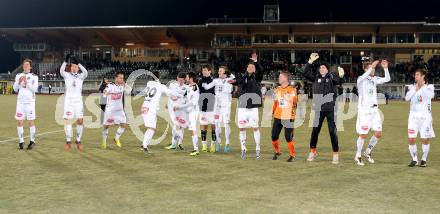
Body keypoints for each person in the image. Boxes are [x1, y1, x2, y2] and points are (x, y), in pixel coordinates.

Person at [303, 53, 344, 164]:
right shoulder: (315, 78)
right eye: (320, 67)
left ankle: (335, 154)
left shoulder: (331, 77)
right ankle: (312, 151)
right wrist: (310, 62)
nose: (321, 69)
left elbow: (339, 82)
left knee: (332, 132)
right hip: (318, 109)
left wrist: (341, 76)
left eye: (324, 67)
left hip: (330, 109)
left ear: (327, 69)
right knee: (315, 131)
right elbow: (305, 73)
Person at [354, 60, 390, 166]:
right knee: (363, 134)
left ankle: (368, 152)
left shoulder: (374, 79)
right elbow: (364, 76)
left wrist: (386, 68)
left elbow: (387, 79)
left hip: (375, 111)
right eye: (371, 68)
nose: (373, 70)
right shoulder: (360, 79)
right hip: (364, 111)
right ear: (366, 69)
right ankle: (358, 155)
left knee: (378, 134)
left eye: (374, 68)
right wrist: (371, 67)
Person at [141, 71, 181, 153]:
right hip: (151, 109)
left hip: (144, 106)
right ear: (159, 77)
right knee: (151, 128)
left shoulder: (149, 83)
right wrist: (180, 95)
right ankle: (144, 146)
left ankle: (144, 144)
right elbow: (170, 92)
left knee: (151, 128)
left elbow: (154, 84)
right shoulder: (160, 86)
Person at [235, 52, 264, 159]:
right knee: (242, 128)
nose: (251, 68)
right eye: (249, 66)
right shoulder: (243, 78)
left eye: (253, 67)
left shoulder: (258, 78)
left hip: (253, 108)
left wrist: (256, 62)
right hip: (242, 107)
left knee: (255, 128)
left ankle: (257, 149)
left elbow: (260, 70)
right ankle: (243, 148)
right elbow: (239, 83)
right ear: (246, 69)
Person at [405, 69, 435, 167]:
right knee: (411, 139)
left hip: (425, 117)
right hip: (413, 117)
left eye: (417, 75)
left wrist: (422, 87)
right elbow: (407, 98)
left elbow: (431, 95)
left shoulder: (429, 87)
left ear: (423, 76)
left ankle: (423, 159)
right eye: (415, 75)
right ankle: (414, 159)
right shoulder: (412, 87)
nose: (415, 76)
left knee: (424, 139)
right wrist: (415, 89)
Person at [202, 66, 235, 152]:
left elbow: (235, 78)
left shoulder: (229, 79)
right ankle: (219, 143)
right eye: (219, 71)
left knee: (226, 124)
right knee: (217, 124)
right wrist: (204, 83)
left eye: (221, 71)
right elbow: (207, 87)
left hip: (226, 106)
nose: (219, 72)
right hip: (217, 107)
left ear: (225, 72)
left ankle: (227, 144)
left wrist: (228, 73)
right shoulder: (216, 80)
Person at [60, 54, 88, 151]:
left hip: (78, 102)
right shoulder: (66, 75)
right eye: (73, 66)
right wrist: (65, 61)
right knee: (68, 120)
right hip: (69, 102)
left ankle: (78, 140)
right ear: (70, 67)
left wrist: (79, 63)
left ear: (78, 68)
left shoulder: (81, 76)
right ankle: (68, 141)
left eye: (76, 67)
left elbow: (86, 72)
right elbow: (61, 71)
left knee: (80, 121)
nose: (75, 68)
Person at [271, 71, 298, 162]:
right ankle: (277, 151)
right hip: (278, 115)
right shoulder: (277, 89)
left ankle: (292, 155)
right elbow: (275, 102)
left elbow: (294, 102)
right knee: (274, 136)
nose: (279, 78)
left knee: (288, 137)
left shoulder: (292, 89)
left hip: (288, 116)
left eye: (280, 76)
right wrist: (272, 111)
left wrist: (289, 98)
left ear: (286, 78)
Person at [173, 72, 201, 156]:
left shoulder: (194, 88)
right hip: (189, 111)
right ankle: (177, 143)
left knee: (192, 130)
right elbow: (185, 97)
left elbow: (193, 102)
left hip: (194, 111)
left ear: (191, 78)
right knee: (181, 125)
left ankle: (196, 150)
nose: (186, 79)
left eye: (187, 77)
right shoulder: (189, 87)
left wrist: (180, 107)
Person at [13, 59, 38, 150]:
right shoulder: (18, 75)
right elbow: (15, 89)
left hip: (30, 103)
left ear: (30, 67)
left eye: (27, 65)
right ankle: (21, 141)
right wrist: (19, 82)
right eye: (24, 65)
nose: (25, 66)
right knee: (19, 121)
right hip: (20, 102)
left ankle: (32, 141)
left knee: (30, 122)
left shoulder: (34, 77)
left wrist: (26, 83)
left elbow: (35, 89)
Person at [101, 71, 130, 149]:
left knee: (124, 124)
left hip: (120, 110)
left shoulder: (122, 86)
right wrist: (103, 107)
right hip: (110, 110)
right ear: (116, 78)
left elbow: (130, 90)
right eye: (120, 78)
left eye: (122, 78)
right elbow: (104, 93)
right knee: (106, 126)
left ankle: (116, 138)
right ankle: (104, 142)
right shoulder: (110, 86)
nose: (121, 79)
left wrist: (124, 83)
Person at [165, 72, 189, 150]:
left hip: (182, 109)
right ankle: (176, 143)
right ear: (177, 78)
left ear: (185, 79)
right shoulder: (172, 85)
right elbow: (169, 94)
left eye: (182, 80)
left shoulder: (187, 88)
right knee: (176, 126)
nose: (180, 81)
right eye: (179, 79)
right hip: (173, 108)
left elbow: (187, 99)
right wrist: (168, 102)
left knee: (180, 126)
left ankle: (178, 143)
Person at [198, 65, 217, 152]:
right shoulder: (200, 81)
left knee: (213, 126)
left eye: (205, 70)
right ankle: (204, 145)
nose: (204, 72)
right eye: (203, 70)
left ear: (210, 71)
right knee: (204, 126)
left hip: (212, 106)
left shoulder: (214, 81)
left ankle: (213, 145)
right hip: (202, 106)